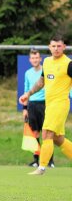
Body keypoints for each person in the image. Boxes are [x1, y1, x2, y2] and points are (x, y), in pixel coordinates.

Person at [19, 35, 72, 175]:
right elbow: (41, 82)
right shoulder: (47, 62)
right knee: (58, 139)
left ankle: (41, 167)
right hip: (50, 105)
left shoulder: (68, 64)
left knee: (46, 132)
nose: (56, 49)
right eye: (53, 46)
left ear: (64, 47)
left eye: (59, 46)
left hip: (60, 104)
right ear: (49, 47)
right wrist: (28, 94)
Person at [22, 50, 54, 167]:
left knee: (47, 133)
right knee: (35, 133)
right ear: (30, 60)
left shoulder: (45, 71)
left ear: (40, 59)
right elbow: (26, 91)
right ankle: (36, 160)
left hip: (45, 104)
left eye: (37, 58)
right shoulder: (27, 73)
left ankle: (50, 161)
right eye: (32, 58)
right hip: (32, 105)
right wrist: (25, 108)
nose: (35, 60)